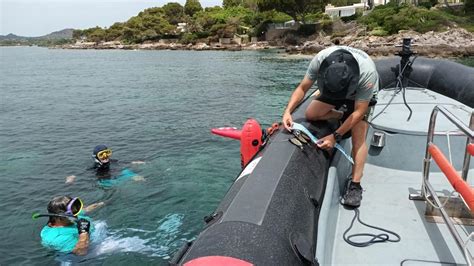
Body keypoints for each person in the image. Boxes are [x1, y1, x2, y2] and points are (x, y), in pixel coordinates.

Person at [282, 46, 378, 207]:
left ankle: (355, 185)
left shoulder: (367, 75)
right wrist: (287, 111)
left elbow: (360, 111)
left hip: (360, 96)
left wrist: (335, 136)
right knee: (311, 114)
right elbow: (302, 88)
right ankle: (342, 115)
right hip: (335, 87)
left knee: (358, 135)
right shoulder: (320, 60)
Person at [65, 144, 145, 186]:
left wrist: (135, 162)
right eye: (102, 155)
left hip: (113, 175)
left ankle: (135, 178)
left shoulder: (112, 161)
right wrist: (72, 177)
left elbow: (124, 162)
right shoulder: (95, 166)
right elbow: (84, 173)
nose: (105, 156)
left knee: (126, 171)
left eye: (107, 153)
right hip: (104, 180)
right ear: (96, 157)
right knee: (107, 183)